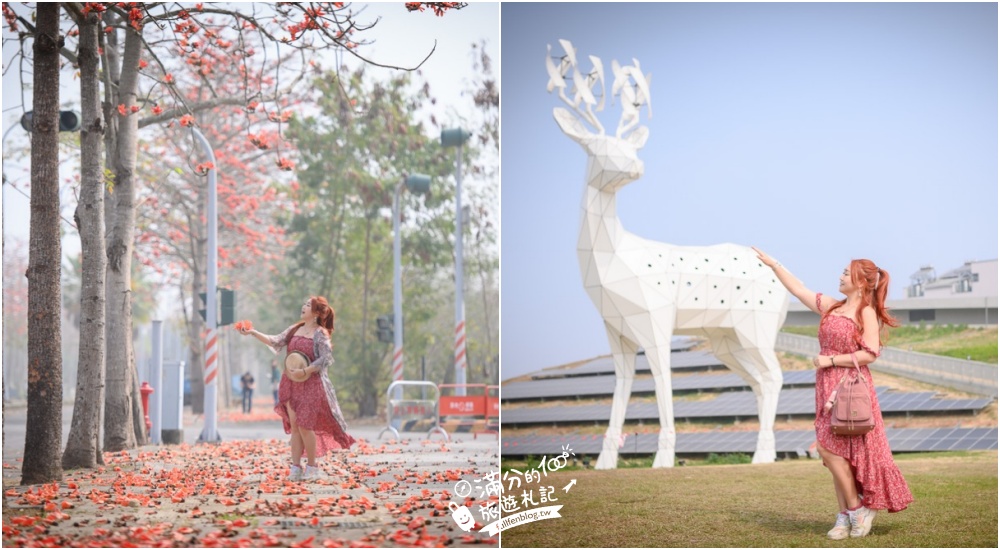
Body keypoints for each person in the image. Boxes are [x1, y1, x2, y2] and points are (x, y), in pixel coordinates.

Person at [752, 247, 913, 539]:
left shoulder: (865, 312)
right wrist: (774, 264)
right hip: (827, 386)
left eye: (845, 273)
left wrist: (831, 360)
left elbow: (871, 353)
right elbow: (799, 289)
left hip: (851, 387)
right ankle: (847, 515)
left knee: (829, 448)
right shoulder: (832, 307)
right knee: (833, 453)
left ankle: (853, 510)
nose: (840, 277)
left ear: (861, 281)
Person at [239, 296, 355, 481]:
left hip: (311, 384)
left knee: (305, 426)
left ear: (317, 312)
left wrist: (306, 370)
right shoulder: (295, 329)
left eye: (308, 305)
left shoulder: (320, 333)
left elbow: (326, 358)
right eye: (304, 304)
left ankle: (312, 466)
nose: (303, 306)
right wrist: (253, 332)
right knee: (295, 427)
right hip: (291, 382)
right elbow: (274, 340)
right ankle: (295, 467)